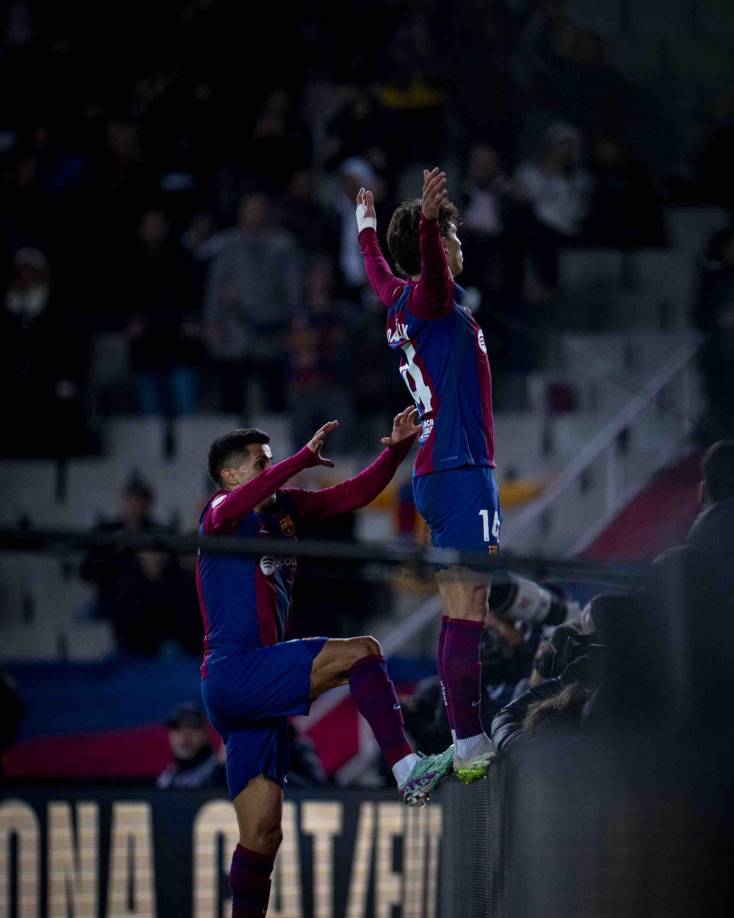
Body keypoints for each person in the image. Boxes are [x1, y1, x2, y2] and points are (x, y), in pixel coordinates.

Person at [197, 411, 454, 918]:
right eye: (259, 462)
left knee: (263, 834)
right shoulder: (220, 511)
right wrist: (297, 462)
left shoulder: (284, 511)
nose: (269, 469)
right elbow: (253, 494)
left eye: (271, 460)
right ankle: (408, 769)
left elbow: (352, 495)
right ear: (231, 475)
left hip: (251, 690)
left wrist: (396, 450)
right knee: (363, 651)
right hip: (234, 672)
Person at [356, 167, 500, 785]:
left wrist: (365, 226)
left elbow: (376, 270)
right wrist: (430, 228)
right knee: (470, 606)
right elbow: (435, 279)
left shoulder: (396, 303)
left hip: (435, 469)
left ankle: (467, 737)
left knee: (455, 610)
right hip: (461, 466)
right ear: (437, 246)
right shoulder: (431, 301)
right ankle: (470, 743)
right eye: (454, 238)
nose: (461, 250)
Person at [157, 702, 226, 790]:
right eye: (176, 729)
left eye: (192, 728)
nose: (183, 738)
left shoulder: (221, 771)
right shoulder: (167, 777)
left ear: (205, 734)